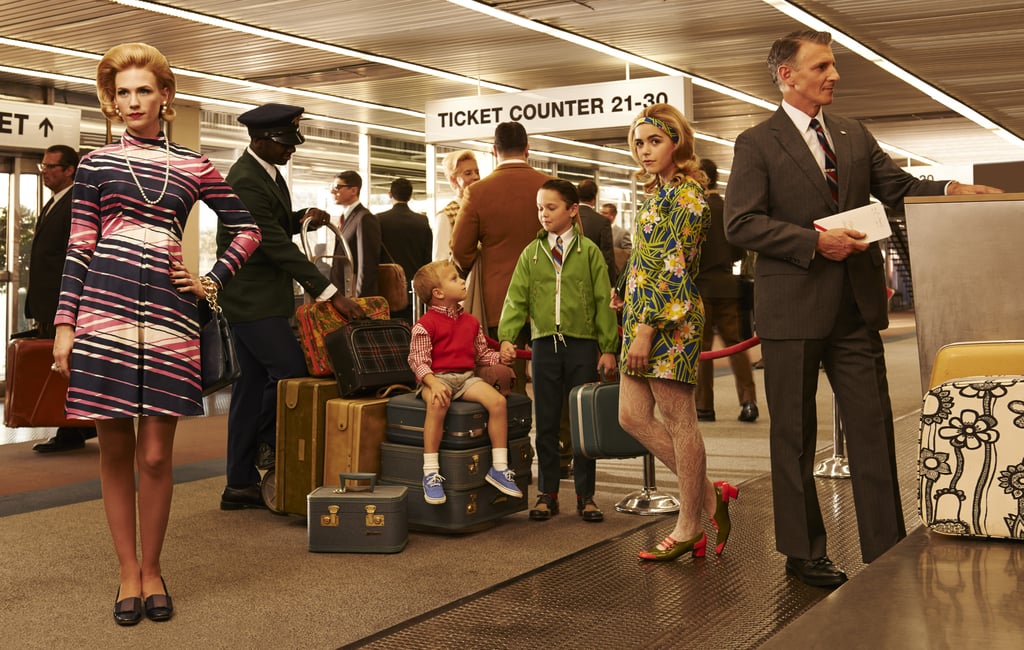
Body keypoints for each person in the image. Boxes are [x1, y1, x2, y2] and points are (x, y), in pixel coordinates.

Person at [724, 30, 1002, 588]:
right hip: (792, 310)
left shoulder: (851, 134)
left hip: (853, 308)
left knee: (873, 429)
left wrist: (949, 189)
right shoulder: (757, 142)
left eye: (833, 65)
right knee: (794, 438)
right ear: (788, 75)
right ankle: (803, 554)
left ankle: (886, 548)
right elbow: (741, 223)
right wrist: (812, 241)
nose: (835, 75)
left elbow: (895, 185)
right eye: (823, 66)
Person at [52, 43, 262, 625]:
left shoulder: (195, 166)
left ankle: (154, 568)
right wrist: (65, 325)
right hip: (101, 314)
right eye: (123, 92)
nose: (133, 101)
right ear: (112, 101)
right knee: (115, 450)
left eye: (144, 90)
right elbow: (78, 249)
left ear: (165, 97)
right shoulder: (94, 165)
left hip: (170, 317)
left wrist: (210, 280)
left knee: (154, 456)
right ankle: (127, 572)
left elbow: (247, 229)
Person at [219, 103, 364, 511]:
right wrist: (330, 292)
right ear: (259, 140)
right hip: (251, 299)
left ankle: (239, 483)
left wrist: (303, 216)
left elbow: (273, 225)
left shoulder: (268, 174)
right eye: (284, 143)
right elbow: (273, 244)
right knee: (290, 374)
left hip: (260, 298)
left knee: (249, 389)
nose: (291, 150)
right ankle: (268, 444)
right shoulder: (245, 180)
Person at [610, 103, 739, 562]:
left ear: (677, 143)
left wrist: (645, 329)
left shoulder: (687, 196)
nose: (644, 150)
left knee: (680, 419)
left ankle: (690, 524)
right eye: (639, 142)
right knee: (631, 416)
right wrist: (623, 289)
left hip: (670, 321)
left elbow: (674, 268)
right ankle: (710, 498)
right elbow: (647, 256)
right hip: (642, 316)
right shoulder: (656, 194)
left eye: (654, 141)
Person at [498, 179, 619, 522]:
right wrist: (509, 336)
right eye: (540, 208)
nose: (543, 214)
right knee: (546, 421)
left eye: (551, 208)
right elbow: (516, 297)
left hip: (582, 346)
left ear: (572, 210)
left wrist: (608, 348)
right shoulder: (531, 254)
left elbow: (603, 301)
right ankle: (546, 493)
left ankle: (586, 495)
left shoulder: (589, 253)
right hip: (543, 346)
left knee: (582, 423)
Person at [407, 260, 523, 505]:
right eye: (454, 279)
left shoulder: (471, 322)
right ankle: (430, 472)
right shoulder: (424, 325)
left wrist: (501, 357)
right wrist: (433, 383)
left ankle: (499, 468)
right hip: (435, 378)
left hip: (466, 378)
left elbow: (482, 355)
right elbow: (418, 361)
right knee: (438, 403)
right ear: (437, 293)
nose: (462, 281)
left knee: (498, 402)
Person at [451, 121, 553, 338]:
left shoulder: (477, 192)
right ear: (527, 149)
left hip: (498, 302)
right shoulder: (553, 186)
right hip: (551, 300)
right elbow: (575, 241)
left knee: (503, 369)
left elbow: (460, 249)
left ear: (494, 150)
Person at [27, 144, 96, 453]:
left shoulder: (75, 203)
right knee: (59, 369)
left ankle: (73, 429)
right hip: (47, 300)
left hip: (63, 302)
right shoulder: (55, 201)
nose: (45, 172)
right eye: (43, 166)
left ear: (70, 170)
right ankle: (74, 428)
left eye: (51, 166)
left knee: (66, 367)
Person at [693, 158, 758, 424]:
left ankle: (705, 407)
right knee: (736, 345)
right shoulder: (728, 207)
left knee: (702, 349)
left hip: (700, 287)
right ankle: (748, 402)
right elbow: (739, 249)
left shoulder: (695, 208)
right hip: (727, 286)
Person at [377, 177, 433, 323]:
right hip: (415, 290)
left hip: (388, 291)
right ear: (410, 195)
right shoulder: (422, 221)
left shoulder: (379, 220)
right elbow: (427, 258)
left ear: (390, 194)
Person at [331, 170, 380, 297]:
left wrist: (361, 299)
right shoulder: (345, 218)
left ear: (353, 190)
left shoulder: (364, 218)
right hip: (342, 292)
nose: (333, 191)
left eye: (337, 187)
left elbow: (367, 264)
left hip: (353, 295)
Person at [433, 150, 480, 261]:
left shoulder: (482, 209)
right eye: (468, 173)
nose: (476, 177)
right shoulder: (446, 215)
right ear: (453, 179)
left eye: (477, 172)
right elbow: (440, 261)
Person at [575, 179, 617, 284]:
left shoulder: (567, 217)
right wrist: (612, 283)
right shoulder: (602, 221)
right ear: (594, 198)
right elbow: (607, 256)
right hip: (593, 278)